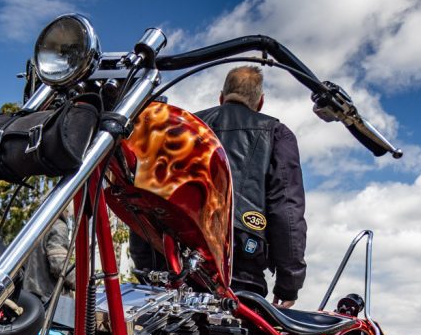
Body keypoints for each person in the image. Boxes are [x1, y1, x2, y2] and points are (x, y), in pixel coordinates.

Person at [131, 66, 307, 306]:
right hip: (240, 267)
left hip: (173, 264)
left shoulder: (182, 127)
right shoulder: (276, 133)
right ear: (260, 102)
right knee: (236, 327)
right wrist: (289, 283)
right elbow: (287, 210)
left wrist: (146, 266)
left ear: (222, 97)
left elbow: (147, 194)